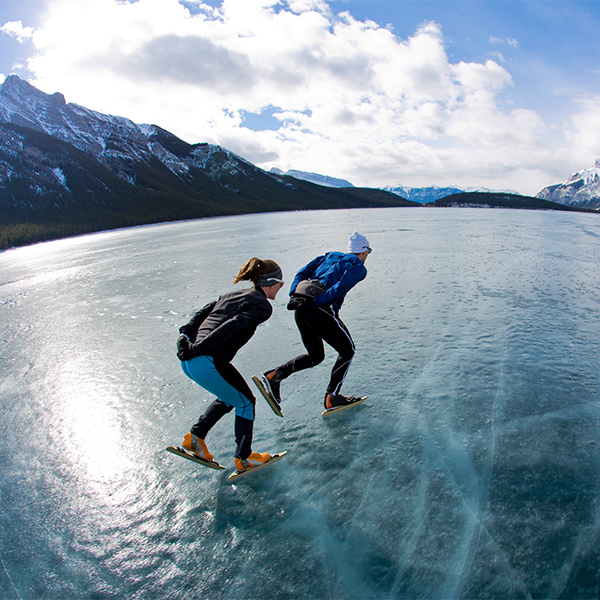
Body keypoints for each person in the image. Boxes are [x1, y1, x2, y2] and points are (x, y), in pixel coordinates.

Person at [176, 258, 284, 472]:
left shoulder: (231, 295)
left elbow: (203, 312)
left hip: (191, 362)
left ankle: (195, 438)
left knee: (230, 397)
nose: (281, 287)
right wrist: (198, 348)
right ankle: (244, 458)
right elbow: (233, 326)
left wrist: (185, 336)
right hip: (206, 359)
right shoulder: (262, 305)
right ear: (271, 283)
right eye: (280, 283)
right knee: (246, 402)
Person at [257, 231, 371, 412]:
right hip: (318, 308)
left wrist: (295, 294)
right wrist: (317, 302)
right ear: (364, 251)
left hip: (300, 307)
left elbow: (302, 272)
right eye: (368, 252)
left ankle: (275, 376)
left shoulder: (329, 256)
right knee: (347, 350)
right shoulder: (358, 267)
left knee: (316, 356)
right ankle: (332, 397)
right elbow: (340, 288)